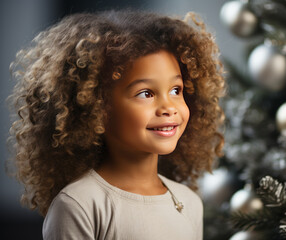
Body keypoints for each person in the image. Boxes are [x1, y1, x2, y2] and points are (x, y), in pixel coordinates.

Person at [8, 9, 225, 240]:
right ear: (96, 107)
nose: (169, 107)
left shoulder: (188, 201)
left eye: (176, 90)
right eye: (146, 93)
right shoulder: (79, 205)